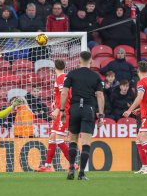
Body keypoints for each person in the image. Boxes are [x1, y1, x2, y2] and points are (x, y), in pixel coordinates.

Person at [60, 51, 105, 180]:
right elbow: (100, 95)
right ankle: (81, 174)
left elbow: (64, 93)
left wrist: (62, 110)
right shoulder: (96, 76)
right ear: (91, 60)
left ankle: (70, 170)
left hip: (74, 109)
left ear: (79, 60)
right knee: (86, 142)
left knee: (73, 140)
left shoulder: (72, 74)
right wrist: (101, 115)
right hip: (88, 109)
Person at [37, 60, 75, 172]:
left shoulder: (61, 78)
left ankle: (74, 164)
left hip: (64, 112)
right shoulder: (62, 78)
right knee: (52, 137)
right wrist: (55, 102)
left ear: (54, 68)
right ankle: (47, 166)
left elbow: (66, 94)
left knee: (59, 139)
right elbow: (60, 94)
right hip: (62, 111)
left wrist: (58, 109)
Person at [123, 61, 147, 174]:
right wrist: (140, 109)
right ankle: (144, 166)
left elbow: (140, 98)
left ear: (138, 70)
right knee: (138, 140)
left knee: (143, 140)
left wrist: (129, 110)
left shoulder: (141, 82)